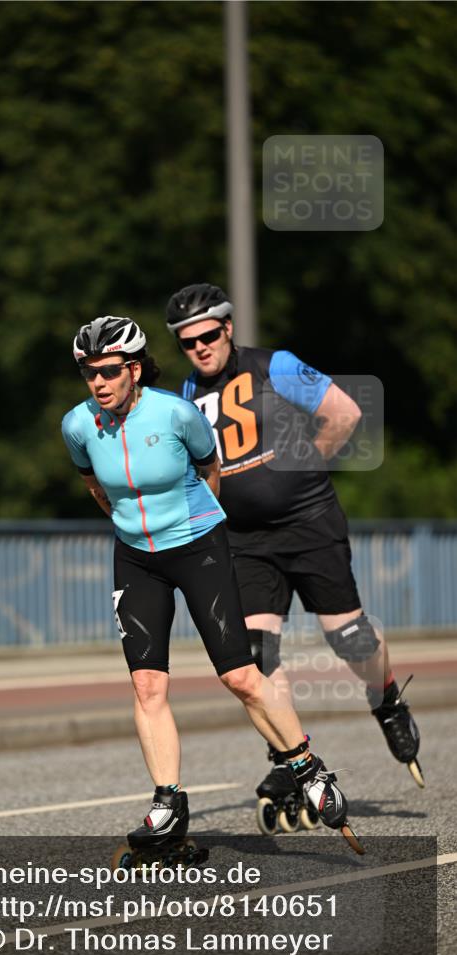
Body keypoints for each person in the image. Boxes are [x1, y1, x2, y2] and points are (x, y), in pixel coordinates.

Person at [61, 315, 362, 854]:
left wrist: (194, 522)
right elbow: (95, 486)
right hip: (136, 557)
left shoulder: (177, 412)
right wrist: (132, 525)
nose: (97, 383)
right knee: (147, 686)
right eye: (88, 373)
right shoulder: (78, 425)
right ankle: (168, 805)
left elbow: (210, 472)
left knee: (241, 676)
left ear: (133, 369)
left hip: (198, 544)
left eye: (107, 371)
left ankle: (306, 766)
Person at [165, 283, 424, 821]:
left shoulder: (273, 365)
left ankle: (388, 698)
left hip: (308, 522)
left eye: (209, 336)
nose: (201, 348)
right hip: (244, 539)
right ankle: (290, 756)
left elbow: (344, 413)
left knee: (350, 638)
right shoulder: (186, 394)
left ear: (228, 328)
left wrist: (305, 465)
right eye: (188, 342)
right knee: (259, 656)